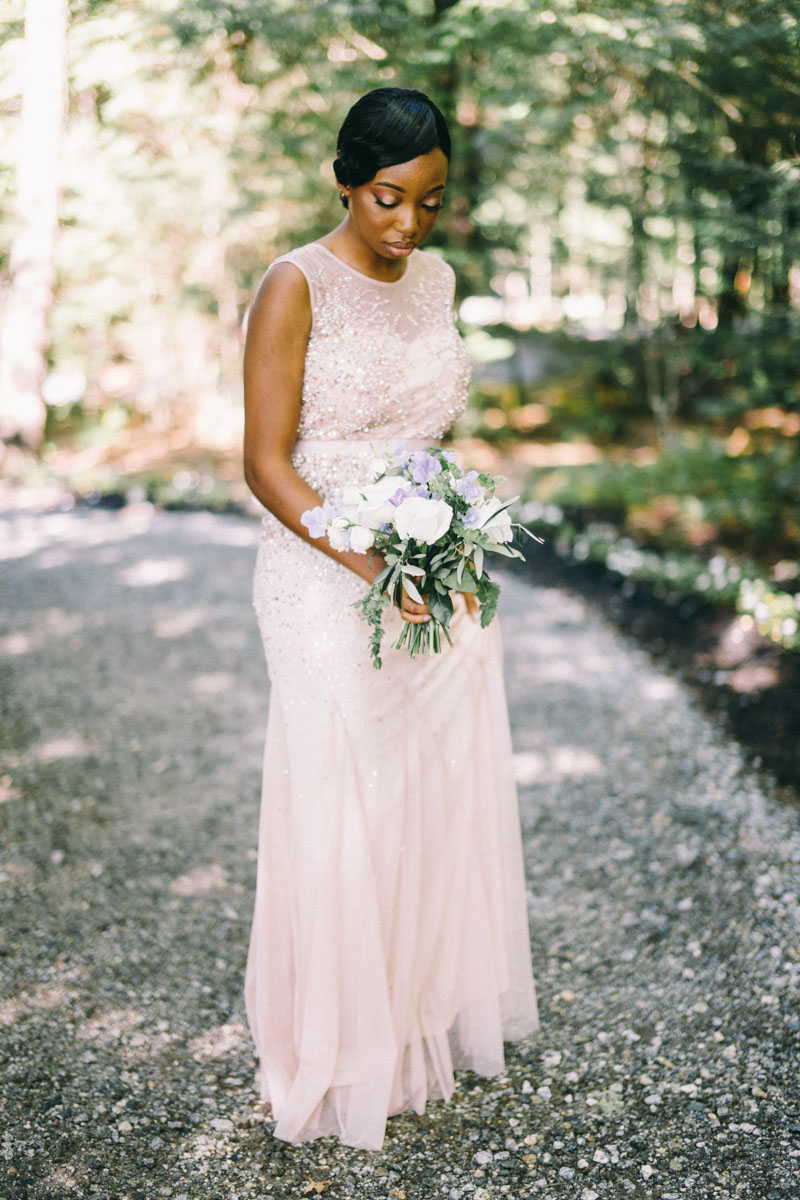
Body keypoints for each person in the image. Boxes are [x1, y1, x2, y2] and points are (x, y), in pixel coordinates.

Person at [242, 86, 539, 1152]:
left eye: (429, 202)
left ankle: (404, 1034)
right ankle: (327, 1054)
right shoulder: (293, 284)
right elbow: (264, 465)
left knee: (424, 797)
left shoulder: (440, 280)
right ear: (343, 180)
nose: (407, 226)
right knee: (340, 801)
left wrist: (445, 538)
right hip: (324, 572)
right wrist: (370, 561)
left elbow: (429, 437)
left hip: (432, 572)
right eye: (386, 198)